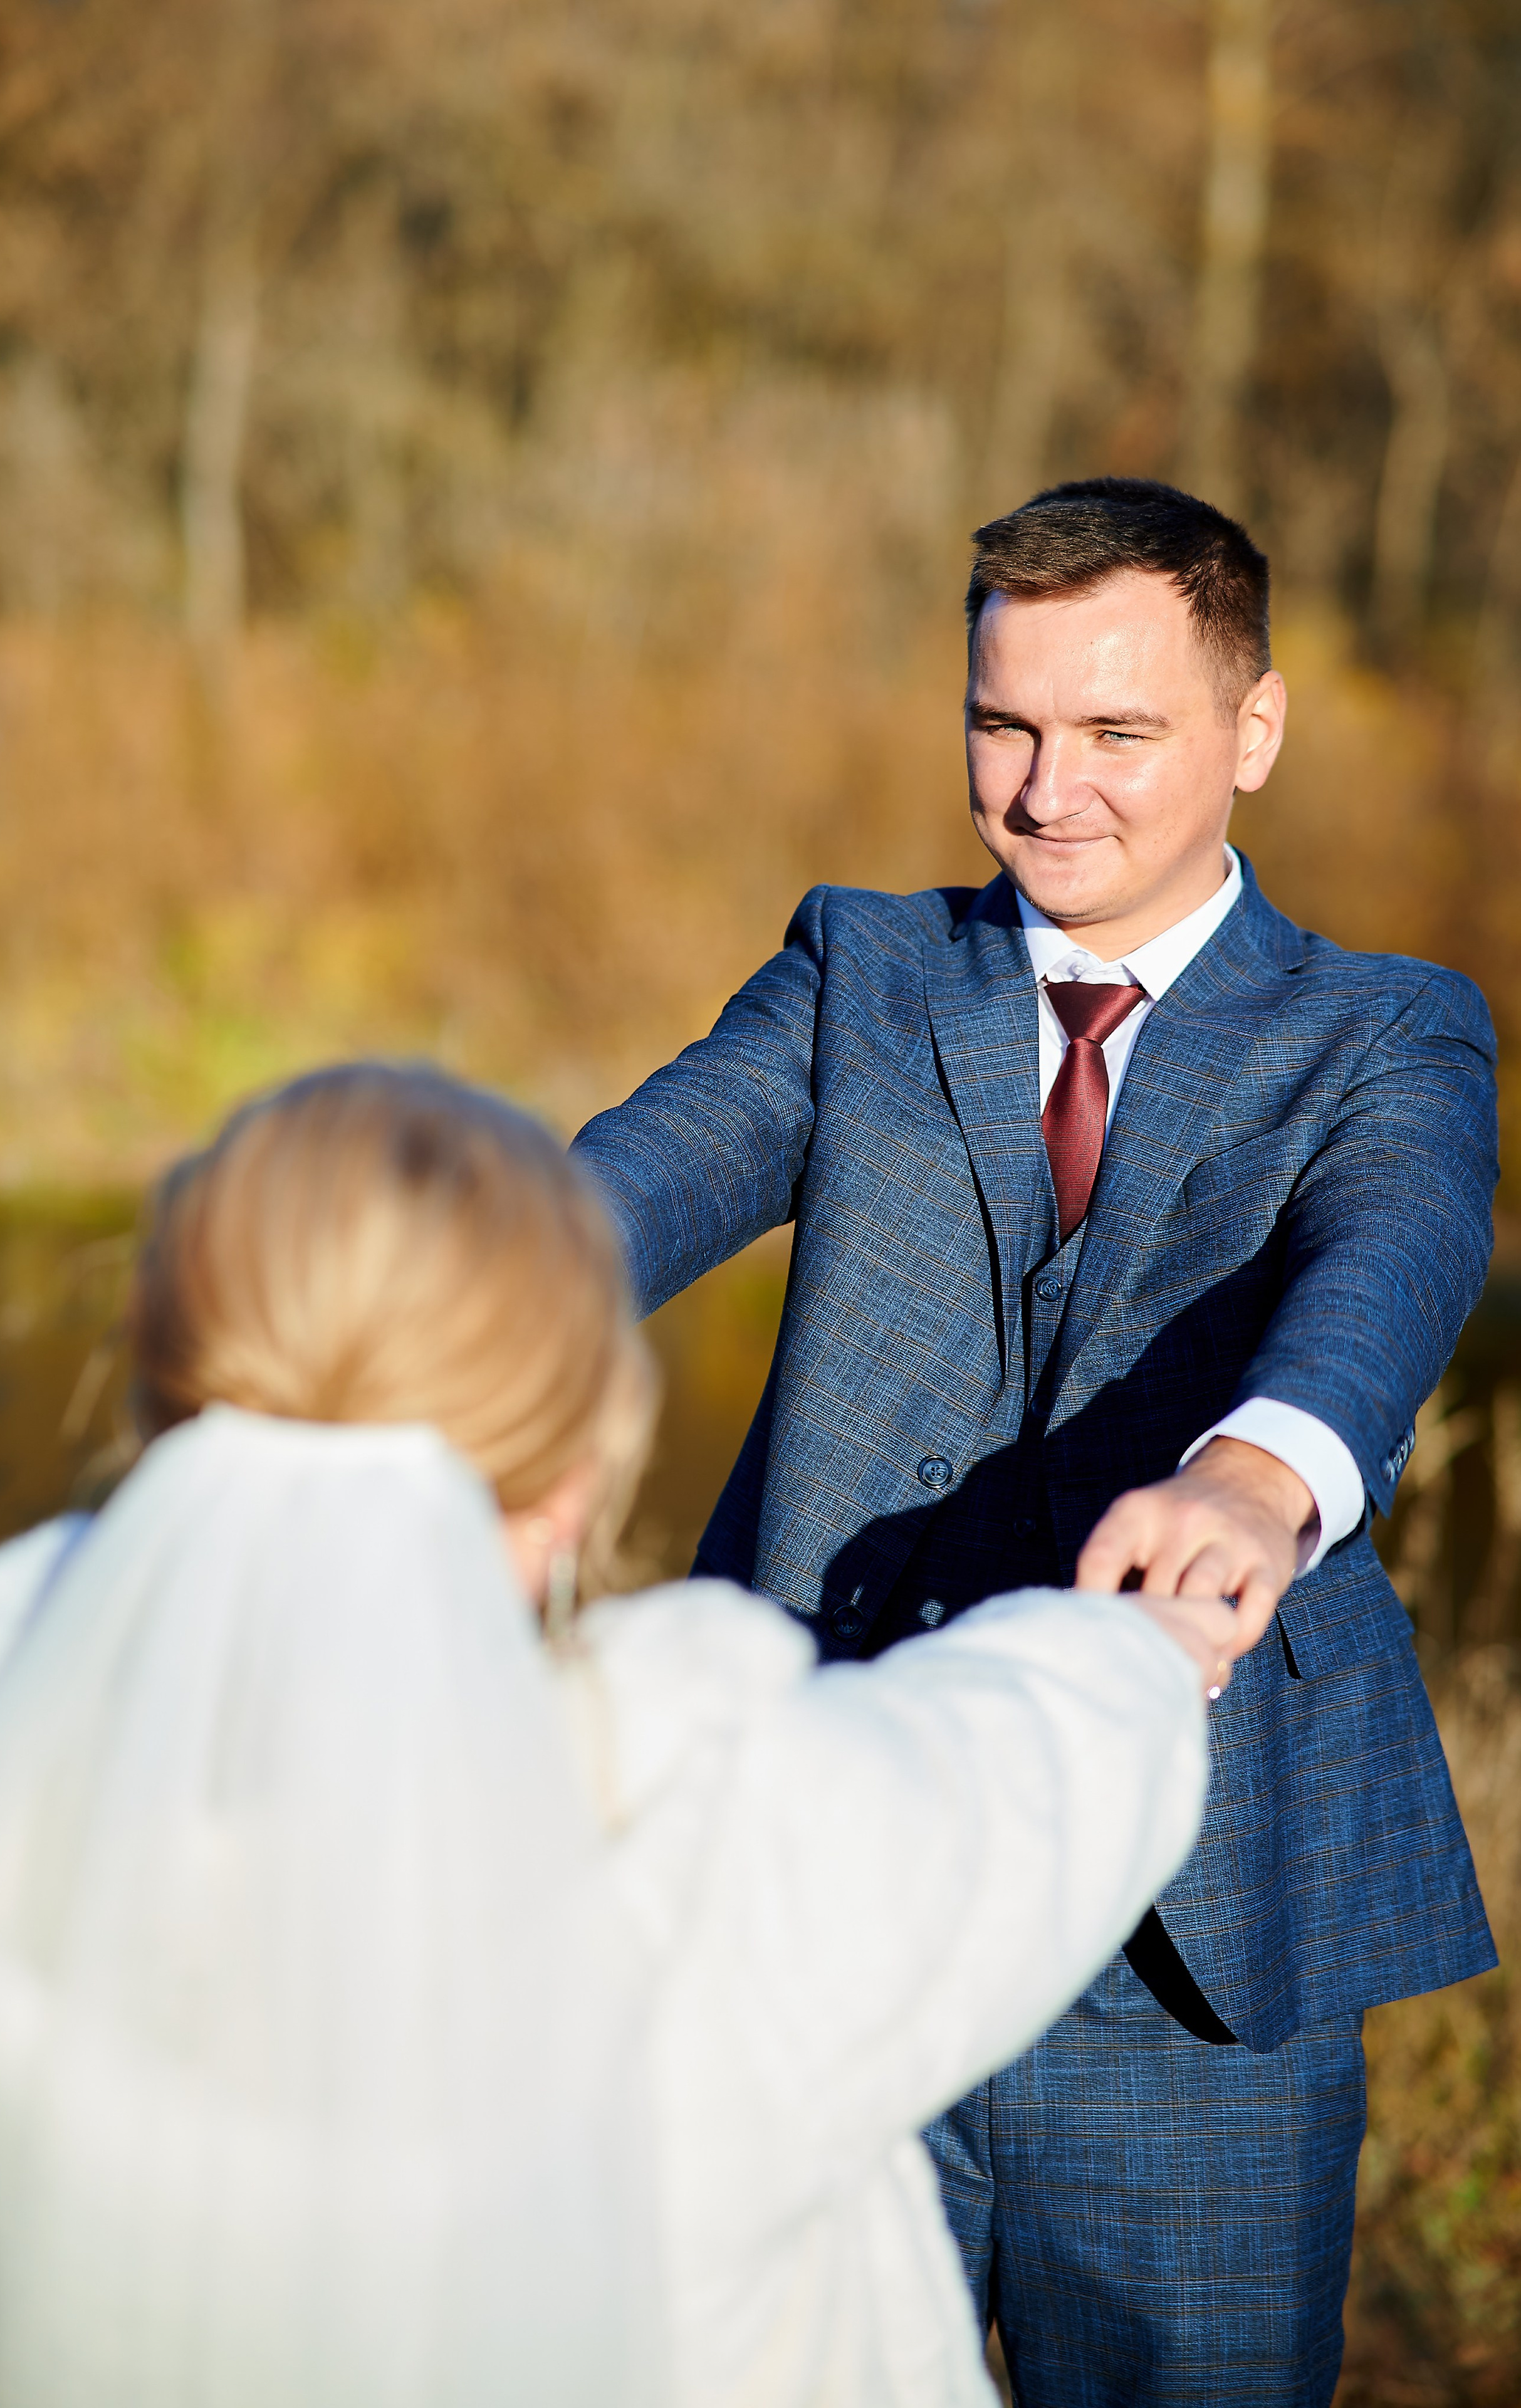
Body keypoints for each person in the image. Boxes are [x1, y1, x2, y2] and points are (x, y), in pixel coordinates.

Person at [571, 476, 1500, 2407]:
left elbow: (1392, 1266)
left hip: (1197, 1954)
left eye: (1117, 732)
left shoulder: (1388, 1031)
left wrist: (1260, 1474)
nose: (1046, 789)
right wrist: (415, 1307)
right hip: (831, 1901)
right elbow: (620, 1194)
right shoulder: (861, 973)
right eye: (1003, 725)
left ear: (1253, 728)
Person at [0, 1062, 1233, 2408]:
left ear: (163, 1403)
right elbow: (1019, 1764)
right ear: (573, 1477)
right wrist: (1150, 1639)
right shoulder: (693, 1805)